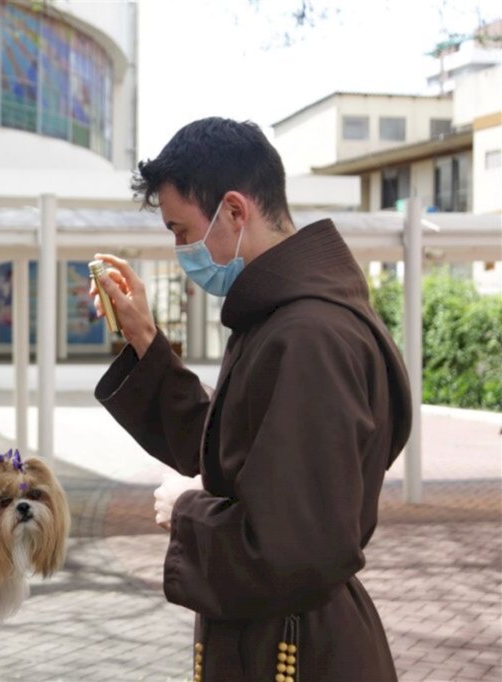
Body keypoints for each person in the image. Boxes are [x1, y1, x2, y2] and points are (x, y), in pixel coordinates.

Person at [91, 117, 412, 682]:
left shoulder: (309, 336)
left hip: (299, 651)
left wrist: (186, 512)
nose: (180, 251)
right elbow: (233, 451)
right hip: (280, 636)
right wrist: (144, 338)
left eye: (182, 231)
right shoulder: (282, 319)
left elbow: (299, 543)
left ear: (235, 211)